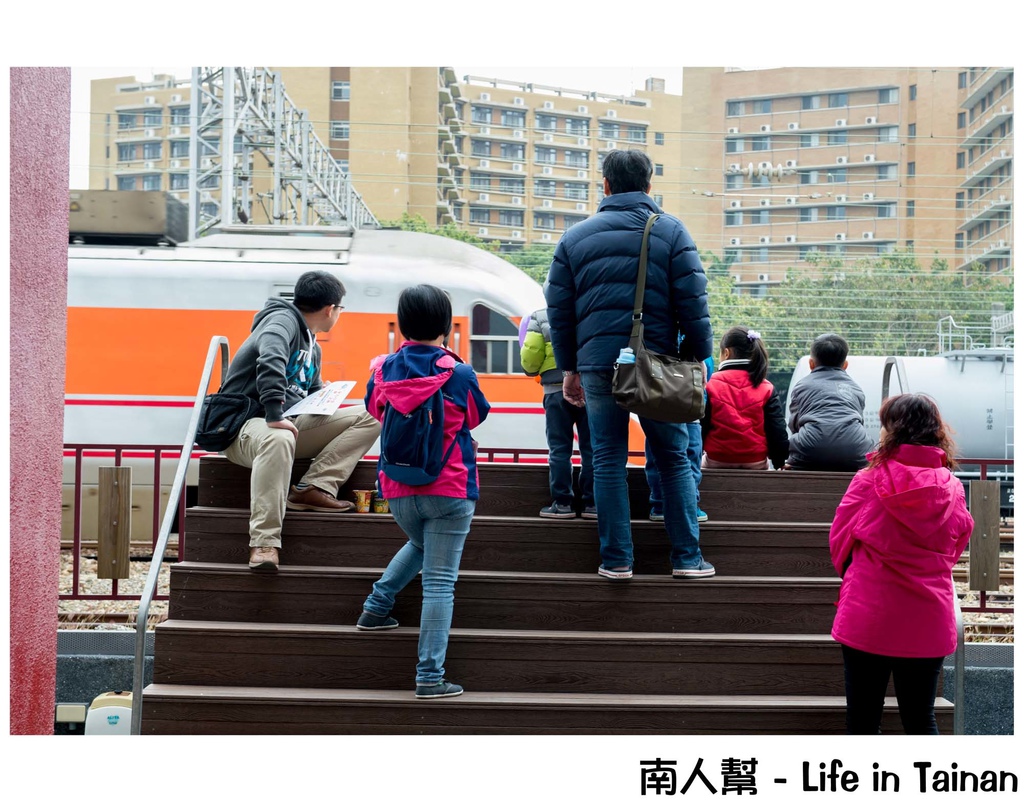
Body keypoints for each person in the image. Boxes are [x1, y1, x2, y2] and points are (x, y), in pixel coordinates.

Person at [545, 148, 715, 581]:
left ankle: (617, 560)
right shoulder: (672, 232)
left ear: (605, 185)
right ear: (649, 185)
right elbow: (694, 304)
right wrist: (696, 354)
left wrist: (570, 369)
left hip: (598, 364)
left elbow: (559, 312)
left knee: (606, 459)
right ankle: (687, 559)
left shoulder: (575, 238)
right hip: (657, 363)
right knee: (674, 458)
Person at [357, 284, 490, 699]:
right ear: (446, 326)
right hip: (449, 488)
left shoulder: (382, 369)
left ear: (402, 325)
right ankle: (430, 677)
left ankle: (375, 609)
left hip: (396, 487)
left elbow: (374, 410)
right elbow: (475, 416)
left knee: (418, 542)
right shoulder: (459, 372)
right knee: (439, 584)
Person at [829, 393, 974, 734]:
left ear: (890, 430)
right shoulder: (952, 488)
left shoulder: (868, 480)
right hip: (928, 616)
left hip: (869, 613)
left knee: (863, 720)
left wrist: (858, 575)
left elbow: (840, 539)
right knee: (921, 719)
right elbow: (956, 543)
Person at [219, 270, 381, 570]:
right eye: (340, 309)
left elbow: (311, 395)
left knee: (374, 413)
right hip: (243, 426)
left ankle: (314, 487)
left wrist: (327, 396)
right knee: (279, 436)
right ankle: (264, 544)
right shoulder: (280, 321)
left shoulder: (313, 346)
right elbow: (270, 360)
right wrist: (274, 412)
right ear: (331, 309)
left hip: (286, 426)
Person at [520, 307, 596, 519]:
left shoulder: (540, 317)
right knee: (592, 449)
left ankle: (562, 504)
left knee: (559, 449)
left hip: (555, 392)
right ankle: (592, 504)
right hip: (591, 389)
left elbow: (530, 359)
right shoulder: (590, 310)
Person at [701, 326, 789, 470]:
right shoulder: (766, 387)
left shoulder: (711, 384)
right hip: (755, 462)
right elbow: (777, 431)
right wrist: (779, 462)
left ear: (726, 353)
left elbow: (702, 426)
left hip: (717, 460)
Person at [786, 333, 874, 471]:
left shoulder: (802, 386)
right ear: (845, 365)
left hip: (810, 450)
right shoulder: (856, 388)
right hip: (856, 451)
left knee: (792, 445)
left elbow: (794, 425)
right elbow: (858, 422)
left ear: (811, 364)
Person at [647, 353, 715, 523]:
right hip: (690, 399)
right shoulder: (697, 341)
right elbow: (708, 366)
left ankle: (659, 504)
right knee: (689, 457)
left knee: (658, 453)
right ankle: (690, 505)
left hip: (658, 398)